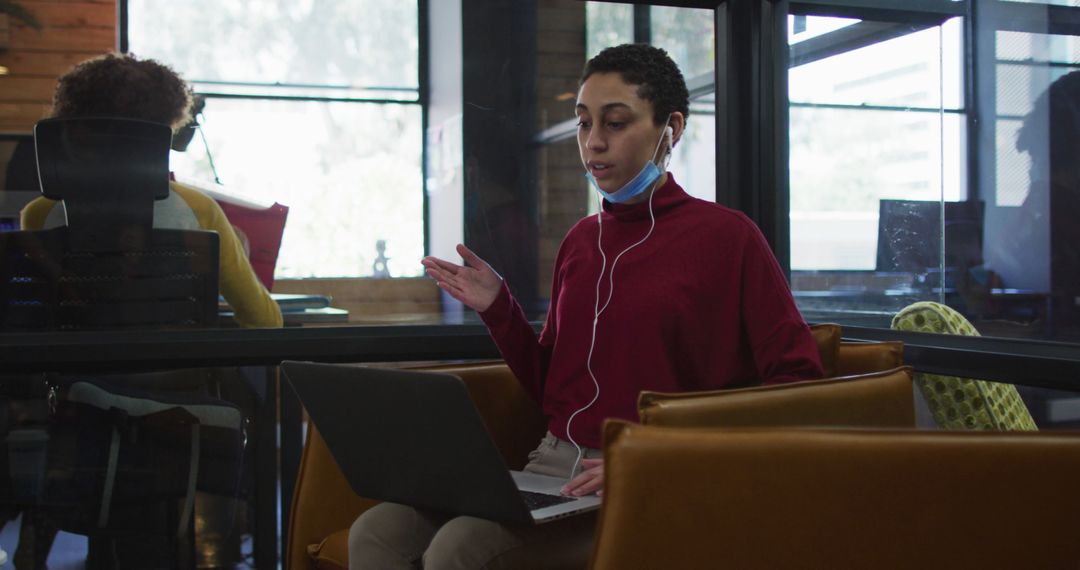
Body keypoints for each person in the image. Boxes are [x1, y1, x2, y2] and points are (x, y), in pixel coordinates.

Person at [349, 43, 823, 569]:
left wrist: (660, 454)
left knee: (461, 549)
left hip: (651, 475)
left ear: (672, 129)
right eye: (582, 123)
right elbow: (555, 390)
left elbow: (796, 384)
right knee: (378, 531)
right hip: (551, 465)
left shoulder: (729, 238)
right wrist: (499, 309)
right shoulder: (580, 241)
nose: (593, 143)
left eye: (616, 123)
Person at [20, 53, 282, 329]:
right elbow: (265, 320)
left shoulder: (41, 213)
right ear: (165, 127)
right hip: (179, 370)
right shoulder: (197, 208)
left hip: (74, 370)